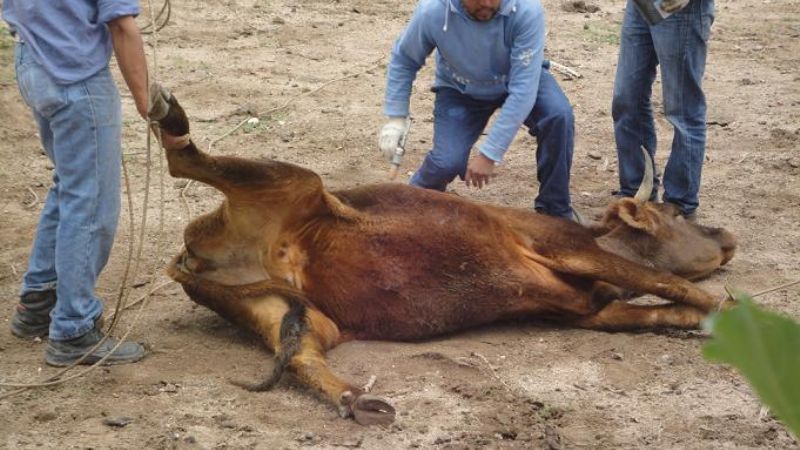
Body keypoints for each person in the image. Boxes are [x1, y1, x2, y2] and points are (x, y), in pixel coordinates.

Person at [4, 1, 149, 366]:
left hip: (33, 60)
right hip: (75, 77)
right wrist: (149, 105)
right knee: (91, 201)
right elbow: (122, 27)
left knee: (71, 187)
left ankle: (39, 300)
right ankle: (73, 328)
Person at [379, 0, 576, 219]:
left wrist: (490, 153)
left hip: (518, 77)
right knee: (447, 162)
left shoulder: (526, 10)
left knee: (558, 115)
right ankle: (409, 204)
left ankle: (555, 209)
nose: (486, 3)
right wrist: (396, 117)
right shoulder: (432, 11)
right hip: (460, 88)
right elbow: (405, 59)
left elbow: (523, 90)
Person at [611, 0, 715, 220]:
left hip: (681, 10)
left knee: (683, 110)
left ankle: (679, 206)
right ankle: (637, 193)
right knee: (627, 98)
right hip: (641, 5)